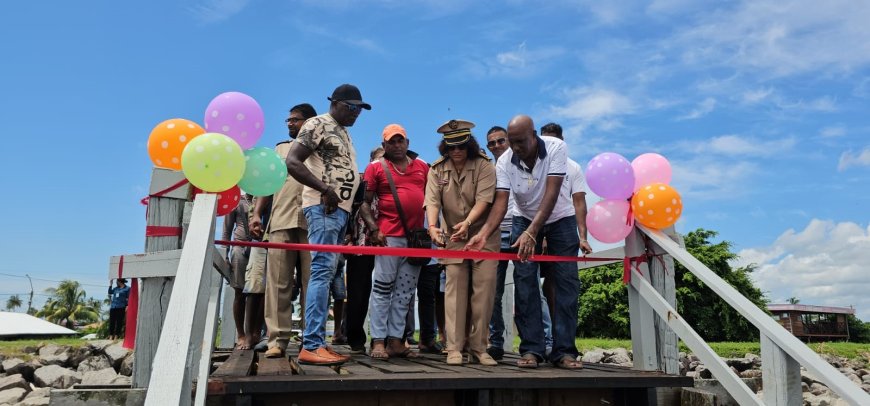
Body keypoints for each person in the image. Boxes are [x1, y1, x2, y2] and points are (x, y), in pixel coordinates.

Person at [466, 115, 583, 370]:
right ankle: (532, 349)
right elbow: (500, 202)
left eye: (520, 141)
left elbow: (551, 193)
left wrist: (532, 232)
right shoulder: (505, 162)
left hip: (560, 218)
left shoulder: (556, 148)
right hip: (523, 217)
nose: (515, 147)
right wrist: (485, 233)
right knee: (525, 282)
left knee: (566, 282)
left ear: (534, 136)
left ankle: (564, 351)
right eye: (512, 142)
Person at [285, 84, 369, 365]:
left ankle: (318, 341)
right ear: (336, 103)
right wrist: (325, 189)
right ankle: (311, 345)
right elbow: (293, 162)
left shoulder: (344, 132)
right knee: (321, 272)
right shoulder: (317, 123)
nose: (357, 114)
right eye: (352, 108)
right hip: (323, 207)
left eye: (360, 109)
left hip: (338, 212)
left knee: (326, 273)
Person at [425, 119, 499, 366]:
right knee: (454, 292)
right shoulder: (436, 169)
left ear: (469, 145)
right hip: (452, 237)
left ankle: (479, 347)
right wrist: (434, 227)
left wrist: (468, 223)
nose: (456, 151)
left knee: (484, 291)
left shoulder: (484, 166)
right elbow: (433, 201)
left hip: (483, 236)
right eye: (451, 147)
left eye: (461, 146)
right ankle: (454, 347)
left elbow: (485, 200)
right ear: (444, 148)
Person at [251, 103, 317, 358]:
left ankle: (311, 341)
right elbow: (267, 184)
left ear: (309, 122)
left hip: (313, 222)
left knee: (313, 284)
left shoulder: (322, 149)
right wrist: (257, 213)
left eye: (295, 120)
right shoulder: (279, 149)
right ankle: (277, 340)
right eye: (288, 120)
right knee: (278, 283)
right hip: (281, 219)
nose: (290, 123)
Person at [359, 123, 429, 359]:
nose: (397, 145)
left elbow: (433, 199)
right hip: (388, 238)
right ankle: (378, 340)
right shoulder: (375, 167)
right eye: (392, 141)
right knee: (382, 289)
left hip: (416, 240)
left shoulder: (422, 167)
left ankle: (396, 341)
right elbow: (364, 202)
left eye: (401, 141)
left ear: (407, 143)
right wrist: (374, 228)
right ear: (384, 145)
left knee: (405, 293)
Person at [539, 122, 593, 331]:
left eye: (555, 141)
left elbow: (579, 202)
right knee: (535, 283)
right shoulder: (536, 164)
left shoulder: (573, 167)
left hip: (564, 225)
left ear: (562, 142)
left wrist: (583, 237)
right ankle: (546, 336)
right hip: (538, 225)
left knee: (565, 282)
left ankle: (564, 338)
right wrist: (540, 234)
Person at [343, 146, 384, 354]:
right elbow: (350, 209)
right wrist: (348, 236)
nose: (382, 164)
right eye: (379, 160)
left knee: (386, 290)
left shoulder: (394, 182)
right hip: (361, 242)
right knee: (358, 292)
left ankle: (384, 338)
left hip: (387, 242)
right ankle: (356, 338)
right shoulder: (360, 181)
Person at [222, 193, 259, 349]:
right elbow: (227, 229)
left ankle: (255, 332)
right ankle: (241, 334)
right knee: (239, 292)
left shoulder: (263, 197)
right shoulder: (237, 200)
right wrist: (225, 253)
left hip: (258, 247)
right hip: (239, 246)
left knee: (257, 292)